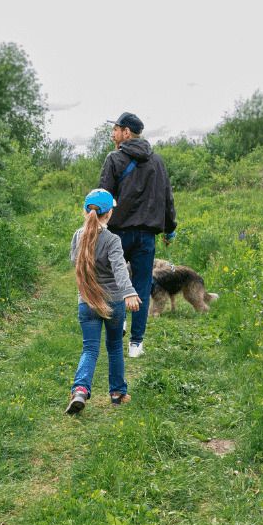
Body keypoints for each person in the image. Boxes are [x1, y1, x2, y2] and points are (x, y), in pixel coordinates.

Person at [98, 111, 177, 358]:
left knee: (115, 281)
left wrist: (97, 228)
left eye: (116, 129)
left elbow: (103, 198)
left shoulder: (114, 160)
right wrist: (170, 228)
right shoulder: (158, 162)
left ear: (127, 133)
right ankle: (136, 344)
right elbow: (167, 198)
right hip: (146, 236)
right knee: (141, 287)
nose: (113, 133)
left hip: (117, 234)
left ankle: (120, 323)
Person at [67, 188, 141, 414]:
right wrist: (129, 292)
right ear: (109, 214)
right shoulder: (112, 240)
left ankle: (80, 390)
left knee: (89, 349)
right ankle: (118, 392)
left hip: (87, 301)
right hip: (113, 301)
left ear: (84, 210)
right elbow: (120, 269)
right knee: (115, 346)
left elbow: (74, 261)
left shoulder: (78, 236)